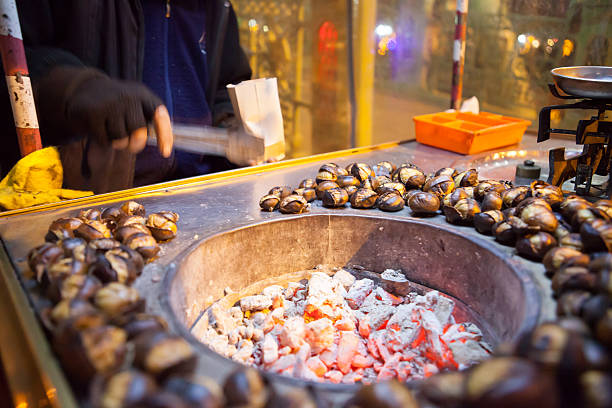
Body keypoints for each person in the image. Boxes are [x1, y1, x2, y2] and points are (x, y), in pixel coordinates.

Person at [0, 0, 252, 193]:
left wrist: (232, 128)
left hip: (200, 194)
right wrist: (78, 89)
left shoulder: (218, 7)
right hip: (87, 207)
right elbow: (14, 62)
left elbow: (225, 84)